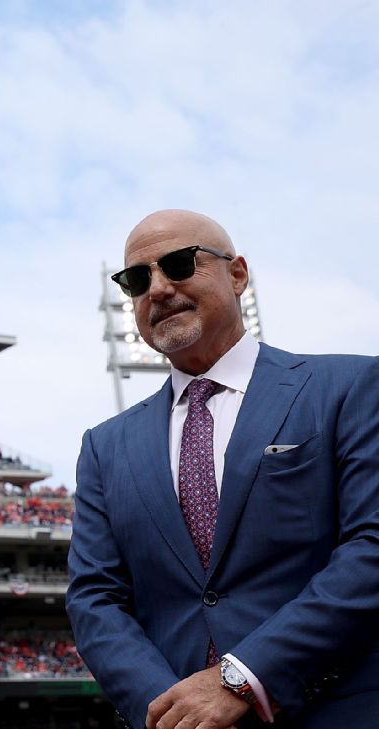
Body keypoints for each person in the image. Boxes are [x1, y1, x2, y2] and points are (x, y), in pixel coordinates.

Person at [67, 210, 379, 729]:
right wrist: (172, 710)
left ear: (237, 275)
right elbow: (95, 599)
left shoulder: (349, 388)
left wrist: (244, 677)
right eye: (138, 279)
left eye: (180, 264)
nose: (159, 289)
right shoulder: (105, 446)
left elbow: (371, 546)